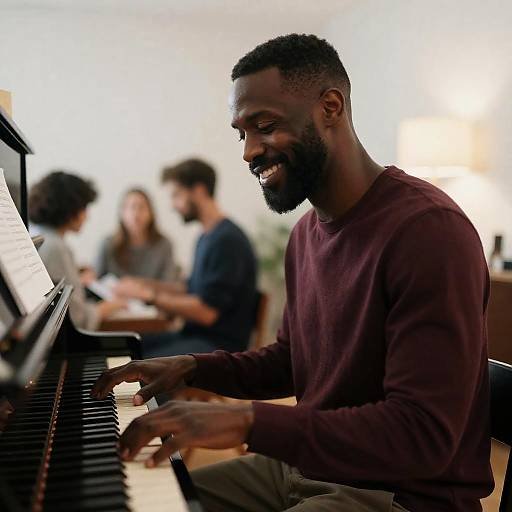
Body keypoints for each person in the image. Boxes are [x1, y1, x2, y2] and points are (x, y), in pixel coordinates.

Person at [92, 34, 493, 512]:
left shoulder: (428, 232)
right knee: (132, 503)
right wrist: (194, 366)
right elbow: (291, 361)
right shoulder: (305, 234)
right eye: (241, 133)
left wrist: (248, 422)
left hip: (399, 492)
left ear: (330, 107)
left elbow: (422, 433)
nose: (247, 152)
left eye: (264, 126)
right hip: (305, 467)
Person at [115, 158, 257, 356]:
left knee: (137, 360)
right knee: (128, 344)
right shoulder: (207, 236)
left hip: (219, 346)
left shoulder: (227, 241)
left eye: (176, 195)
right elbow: (188, 288)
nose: (173, 205)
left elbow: (206, 312)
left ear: (198, 191)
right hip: (195, 336)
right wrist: (144, 285)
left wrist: (150, 297)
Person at [29, 171, 126, 330]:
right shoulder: (56, 247)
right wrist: (109, 307)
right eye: (84, 207)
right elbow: (77, 319)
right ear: (70, 208)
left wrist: (76, 277)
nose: (86, 216)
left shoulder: (39, 236)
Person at [95, 188, 178, 281]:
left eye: (141, 207)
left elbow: (169, 283)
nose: (136, 214)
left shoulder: (164, 245)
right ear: (121, 213)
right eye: (130, 207)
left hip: (151, 295)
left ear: (151, 213)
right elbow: (96, 280)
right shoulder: (108, 244)